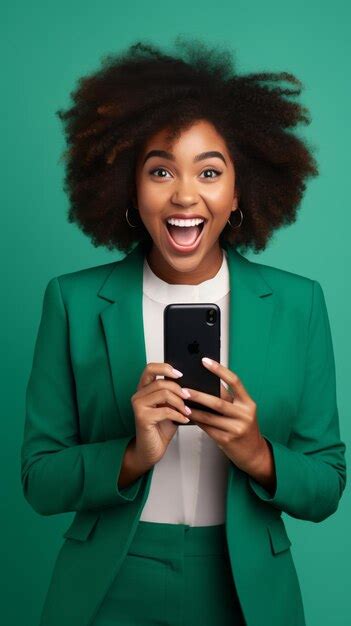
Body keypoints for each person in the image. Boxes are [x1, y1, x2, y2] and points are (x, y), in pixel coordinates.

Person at [21, 37, 347, 626]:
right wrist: (131, 454)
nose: (185, 195)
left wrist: (257, 452)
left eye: (210, 171)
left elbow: (327, 485)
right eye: (161, 170)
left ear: (239, 189)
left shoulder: (299, 303)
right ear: (129, 185)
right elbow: (40, 482)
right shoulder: (71, 301)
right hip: (108, 585)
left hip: (245, 587)